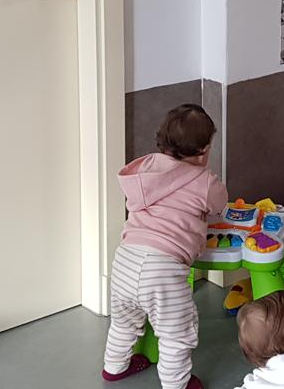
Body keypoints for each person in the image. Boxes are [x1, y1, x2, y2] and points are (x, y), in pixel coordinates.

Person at [100, 104, 229, 389]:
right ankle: (177, 383)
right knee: (176, 333)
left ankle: (113, 367)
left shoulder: (145, 168)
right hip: (162, 270)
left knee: (123, 321)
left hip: (125, 260)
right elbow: (220, 205)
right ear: (205, 150)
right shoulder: (204, 181)